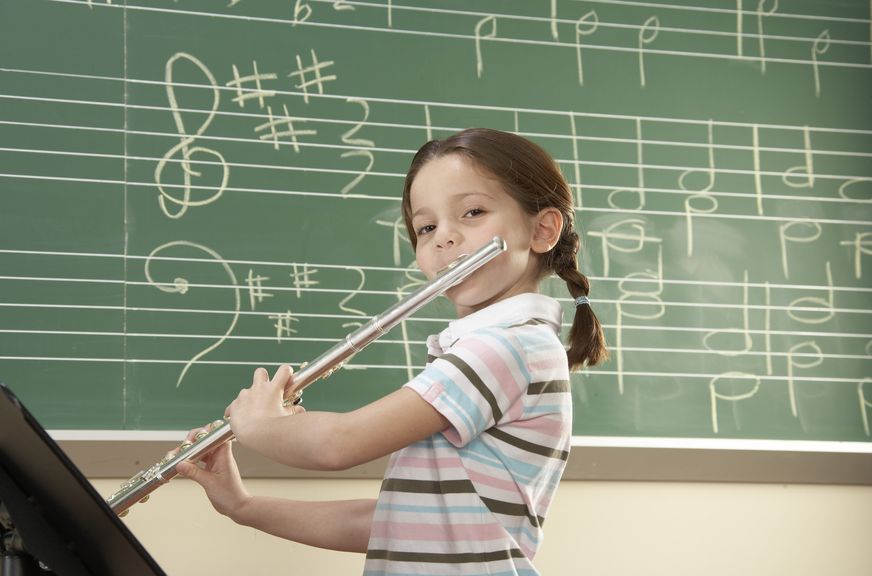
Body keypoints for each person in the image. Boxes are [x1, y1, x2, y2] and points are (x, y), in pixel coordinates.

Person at [176, 127, 608, 575]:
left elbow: (337, 446)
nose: (445, 238)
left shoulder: (509, 346)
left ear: (542, 230)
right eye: (426, 227)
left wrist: (258, 426)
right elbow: (390, 522)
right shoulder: (491, 348)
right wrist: (242, 506)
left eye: (473, 212)